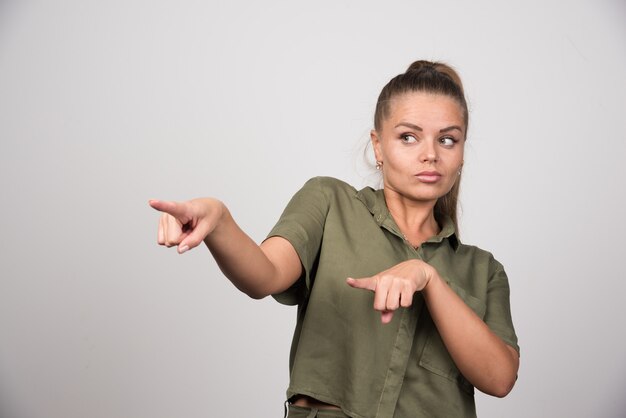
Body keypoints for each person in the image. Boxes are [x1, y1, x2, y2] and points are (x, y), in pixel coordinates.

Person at [149, 60, 519, 418]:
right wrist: (219, 220)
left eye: (448, 140)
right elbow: (263, 276)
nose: (430, 155)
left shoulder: (484, 271)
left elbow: (500, 379)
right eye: (408, 137)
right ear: (378, 146)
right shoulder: (329, 203)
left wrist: (429, 279)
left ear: (462, 153)